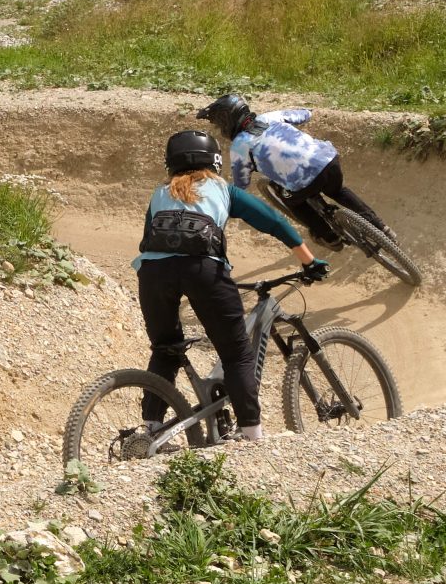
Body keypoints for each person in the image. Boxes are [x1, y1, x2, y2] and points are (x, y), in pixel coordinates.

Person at [133, 128, 323, 447]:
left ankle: (151, 429)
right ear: (214, 161)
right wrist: (309, 261)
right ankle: (252, 434)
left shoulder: (159, 194)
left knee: (165, 350)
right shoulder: (222, 189)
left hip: (153, 273)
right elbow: (273, 221)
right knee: (236, 355)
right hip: (204, 270)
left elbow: (147, 241)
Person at [199, 93, 388, 248]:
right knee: (338, 191)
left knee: (294, 203)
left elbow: (242, 183)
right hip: (329, 161)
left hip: (303, 183)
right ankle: (380, 226)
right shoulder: (270, 117)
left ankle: (330, 237)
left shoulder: (240, 146)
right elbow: (305, 114)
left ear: (226, 121)